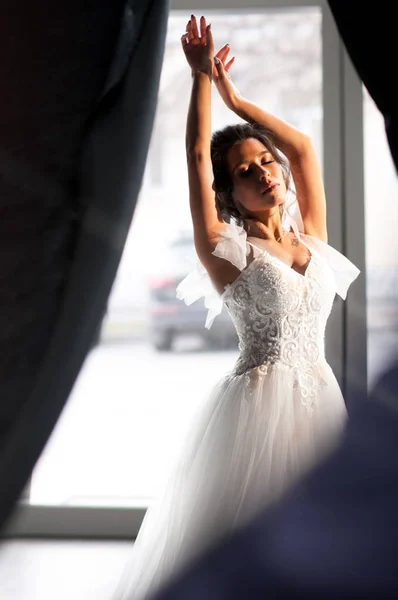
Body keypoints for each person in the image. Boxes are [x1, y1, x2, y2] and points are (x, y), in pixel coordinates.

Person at [112, 15, 359, 600]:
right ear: (230, 194)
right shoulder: (227, 252)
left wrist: (236, 98)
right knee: (249, 545)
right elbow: (199, 155)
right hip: (255, 411)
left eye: (265, 162)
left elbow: (300, 147)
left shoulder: (312, 237)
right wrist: (201, 80)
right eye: (246, 172)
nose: (265, 173)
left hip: (320, 398)